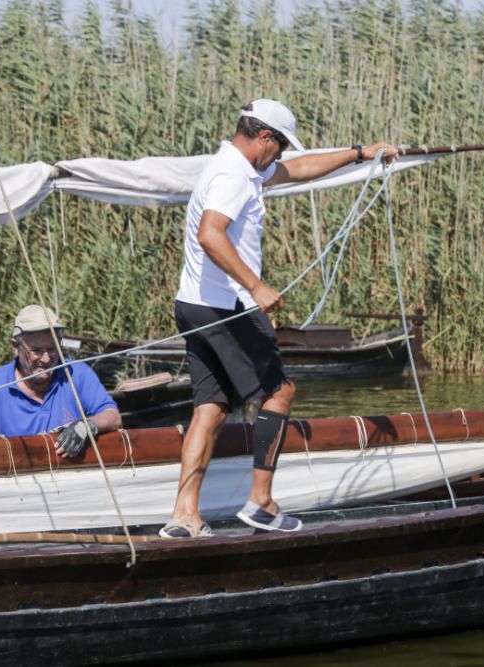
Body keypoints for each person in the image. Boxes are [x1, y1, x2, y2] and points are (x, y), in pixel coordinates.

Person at [161, 99, 398, 538]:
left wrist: (360, 153)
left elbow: (301, 169)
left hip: (192, 302)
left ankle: (185, 514)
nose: (283, 155)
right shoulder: (234, 174)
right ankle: (262, 503)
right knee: (280, 391)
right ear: (264, 137)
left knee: (210, 407)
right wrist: (256, 286)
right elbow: (210, 234)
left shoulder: (236, 166)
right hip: (225, 305)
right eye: (281, 145)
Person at [0, 304, 121, 458]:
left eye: (53, 349)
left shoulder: (76, 374)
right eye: (37, 351)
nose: (46, 359)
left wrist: (86, 426)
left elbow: (113, 417)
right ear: (16, 347)